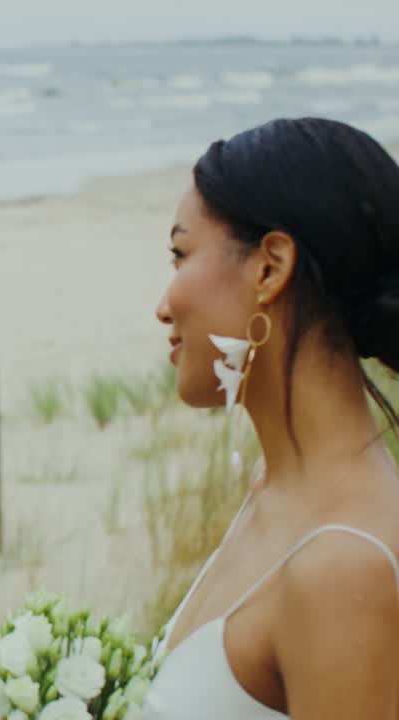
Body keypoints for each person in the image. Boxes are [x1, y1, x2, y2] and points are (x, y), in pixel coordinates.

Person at [145, 117, 399, 718]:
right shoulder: (273, 489)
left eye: (181, 254)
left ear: (269, 268)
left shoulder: (344, 567)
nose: (163, 306)